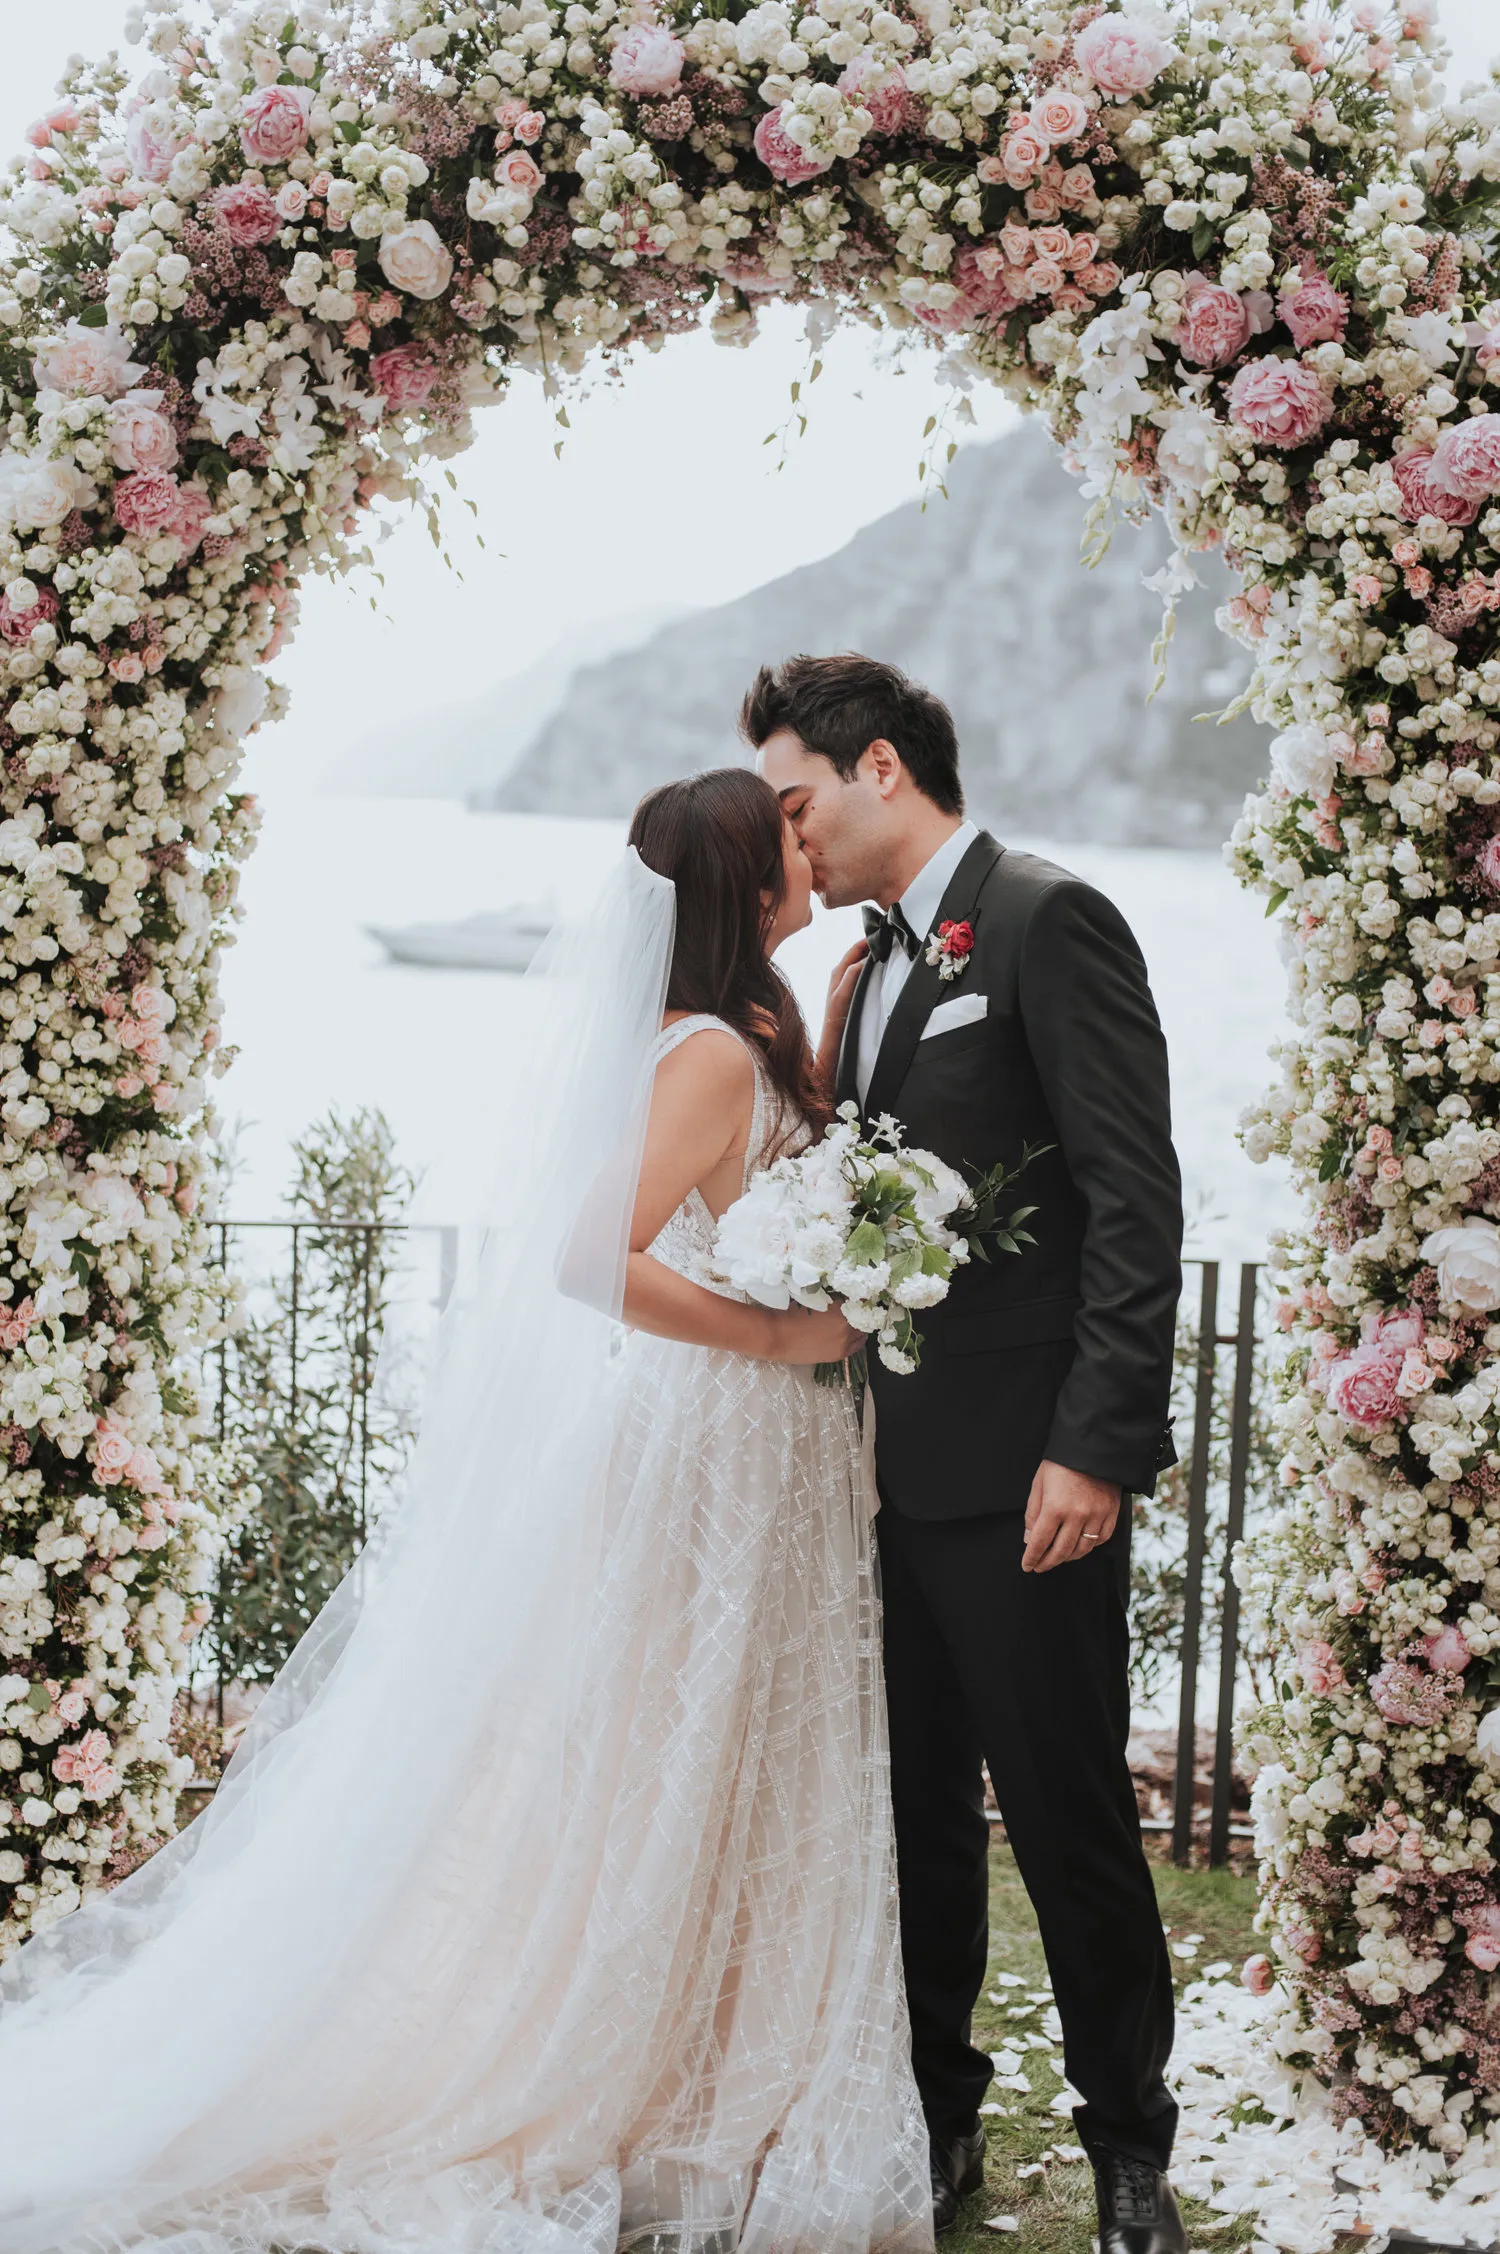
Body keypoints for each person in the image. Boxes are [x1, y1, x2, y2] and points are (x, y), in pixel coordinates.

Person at [0, 769, 932, 2254]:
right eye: (783, 838)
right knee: (676, 1749)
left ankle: (716, 2066)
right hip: (720, 1438)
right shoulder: (702, 1056)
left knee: (739, 1747)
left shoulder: (767, 1022)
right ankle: (642, 2069)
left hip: (781, 1450)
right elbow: (586, 1255)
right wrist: (770, 1337)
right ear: (744, 881)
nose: (805, 844)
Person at [748, 653, 1186, 2254]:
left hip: (1028, 1484)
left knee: (1068, 1814)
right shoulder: (856, 977)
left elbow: (1136, 1204)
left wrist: (1099, 1446)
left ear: (878, 768)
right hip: (875, 1479)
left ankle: (1130, 2145)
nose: (790, 842)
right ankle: (934, 2118)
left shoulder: (1044, 920)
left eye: (798, 804)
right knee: (913, 1814)